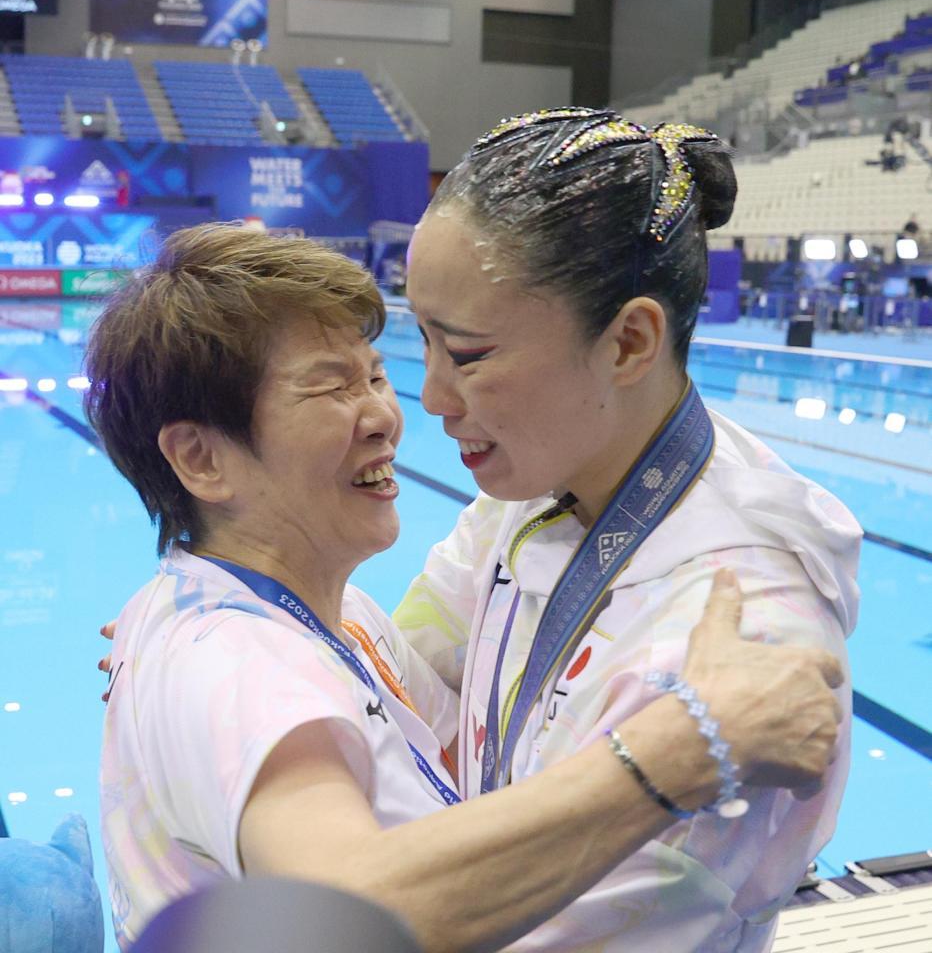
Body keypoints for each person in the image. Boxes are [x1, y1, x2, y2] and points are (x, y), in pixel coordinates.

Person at [88, 222, 843, 951]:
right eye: (329, 388)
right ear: (201, 459)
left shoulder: (328, 618)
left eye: (378, 374)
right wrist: (683, 746)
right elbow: (342, 914)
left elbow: (478, 738)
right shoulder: (237, 662)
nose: (389, 414)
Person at [394, 109, 861, 951]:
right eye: (421, 340)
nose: (430, 396)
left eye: (466, 357)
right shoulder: (542, 481)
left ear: (630, 342)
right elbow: (401, 685)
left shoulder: (739, 647)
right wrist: (264, 642)